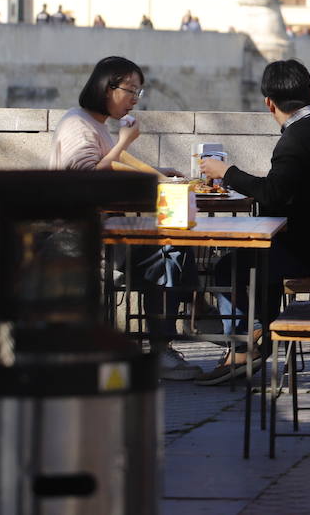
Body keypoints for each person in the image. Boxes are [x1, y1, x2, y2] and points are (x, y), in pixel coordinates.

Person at [196, 59, 310, 385]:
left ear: (269, 103)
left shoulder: (294, 139)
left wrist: (226, 173)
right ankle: (255, 332)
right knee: (254, 261)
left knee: (229, 268)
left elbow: (274, 193)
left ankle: (244, 344)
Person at [51, 56, 200, 381]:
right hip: (86, 240)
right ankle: (162, 349)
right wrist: (123, 142)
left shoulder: (92, 123)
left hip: (108, 232)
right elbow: (87, 178)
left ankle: (164, 341)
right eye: (130, 90)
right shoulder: (79, 126)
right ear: (106, 88)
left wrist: (156, 173)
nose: (134, 99)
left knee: (177, 246)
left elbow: (112, 165)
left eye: (138, 92)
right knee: (172, 251)